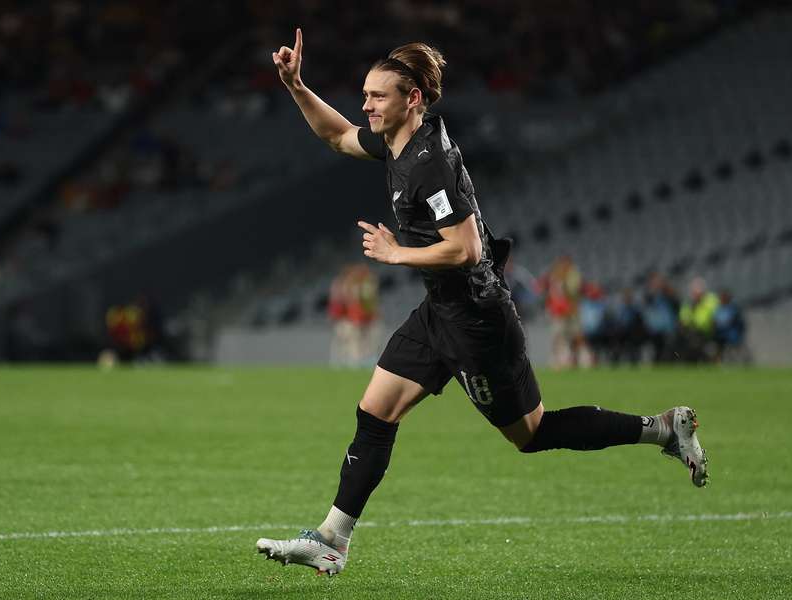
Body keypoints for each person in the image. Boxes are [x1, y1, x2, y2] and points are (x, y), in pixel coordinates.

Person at [257, 29, 709, 576]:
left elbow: (467, 250)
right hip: (440, 311)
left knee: (532, 434)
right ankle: (332, 539)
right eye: (366, 94)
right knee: (375, 411)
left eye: (377, 96)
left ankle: (662, 428)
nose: (366, 105)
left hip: (477, 320)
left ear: (412, 99)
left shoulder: (431, 163)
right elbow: (337, 136)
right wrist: (296, 85)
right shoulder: (397, 141)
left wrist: (398, 254)